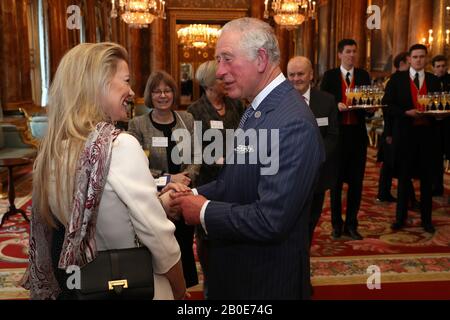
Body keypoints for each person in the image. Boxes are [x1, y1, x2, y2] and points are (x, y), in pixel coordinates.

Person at [173, 17, 324, 300]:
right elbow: (235, 181)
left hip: (265, 282)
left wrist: (202, 211)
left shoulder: (292, 122)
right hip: (237, 274)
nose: (219, 72)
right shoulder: (256, 109)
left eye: (227, 59)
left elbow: (271, 219)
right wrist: (188, 195)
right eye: (218, 61)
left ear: (261, 59)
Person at [20, 42, 187, 300]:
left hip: (86, 286)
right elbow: (158, 238)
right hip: (133, 284)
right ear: (99, 84)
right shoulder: (119, 146)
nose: (132, 91)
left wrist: (158, 203)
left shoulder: (51, 151)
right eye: (126, 80)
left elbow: (101, 214)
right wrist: (179, 288)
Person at [128, 70, 200, 289]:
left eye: (167, 90)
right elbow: (137, 164)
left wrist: (186, 177)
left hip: (184, 193)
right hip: (155, 196)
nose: (162, 95)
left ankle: (184, 288)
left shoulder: (186, 119)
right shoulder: (138, 124)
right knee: (160, 245)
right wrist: (168, 178)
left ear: (173, 93)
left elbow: (197, 154)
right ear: (150, 95)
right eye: (156, 91)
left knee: (184, 244)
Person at [186, 60, 244, 297]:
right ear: (210, 84)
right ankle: (212, 284)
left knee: (233, 229)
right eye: (220, 78)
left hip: (235, 179)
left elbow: (244, 137)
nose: (226, 80)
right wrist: (213, 159)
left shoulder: (236, 105)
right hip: (208, 181)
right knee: (208, 235)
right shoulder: (195, 111)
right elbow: (192, 149)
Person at [383, 44, 441, 233]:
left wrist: (438, 113)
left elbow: (439, 103)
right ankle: (400, 218)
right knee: (404, 178)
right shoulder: (397, 79)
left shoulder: (433, 80)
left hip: (427, 136)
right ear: (409, 59)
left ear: (426, 58)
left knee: (427, 180)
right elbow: (387, 105)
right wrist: (405, 112)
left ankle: (427, 220)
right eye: (415, 57)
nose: (418, 60)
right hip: (405, 135)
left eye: (422, 57)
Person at [320, 39, 371, 240]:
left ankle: (352, 224)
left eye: (354, 52)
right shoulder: (330, 76)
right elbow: (324, 105)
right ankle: (336, 225)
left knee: (356, 183)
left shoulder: (363, 75)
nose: (352, 55)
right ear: (340, 54)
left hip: (357, 135)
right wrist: (336, 106)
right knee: (336, 183)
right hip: (337, 136)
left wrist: (369, 109)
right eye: (348, 51)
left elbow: (368, 102)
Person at [287, 56, 339, 246]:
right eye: (291, 74)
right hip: (286, 174)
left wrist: (315, 157)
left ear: (311, 75)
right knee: (289, 221)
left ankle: (303, 256)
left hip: (317, 173)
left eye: (300, 74)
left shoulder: (326, 101)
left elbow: (332, 135)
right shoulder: (278, 101)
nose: (295, 79)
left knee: (310, 221)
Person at [377, 52, 418, 206]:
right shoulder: (396, 79)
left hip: (403, 129)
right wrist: (388, 133)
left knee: (393, 164)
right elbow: (387, 108)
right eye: (410, 61)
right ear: (403, 62)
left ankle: (387, 193)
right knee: (395, 163)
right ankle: (406, 198)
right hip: (394, 129)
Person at [430, 55, 449, 197]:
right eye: (438, 66)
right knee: (435, 158)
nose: (441, 68)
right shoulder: (430, 82)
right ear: (433, 67)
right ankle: (437, 187)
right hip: (434, 126)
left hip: (449, 124)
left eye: (443, 66)